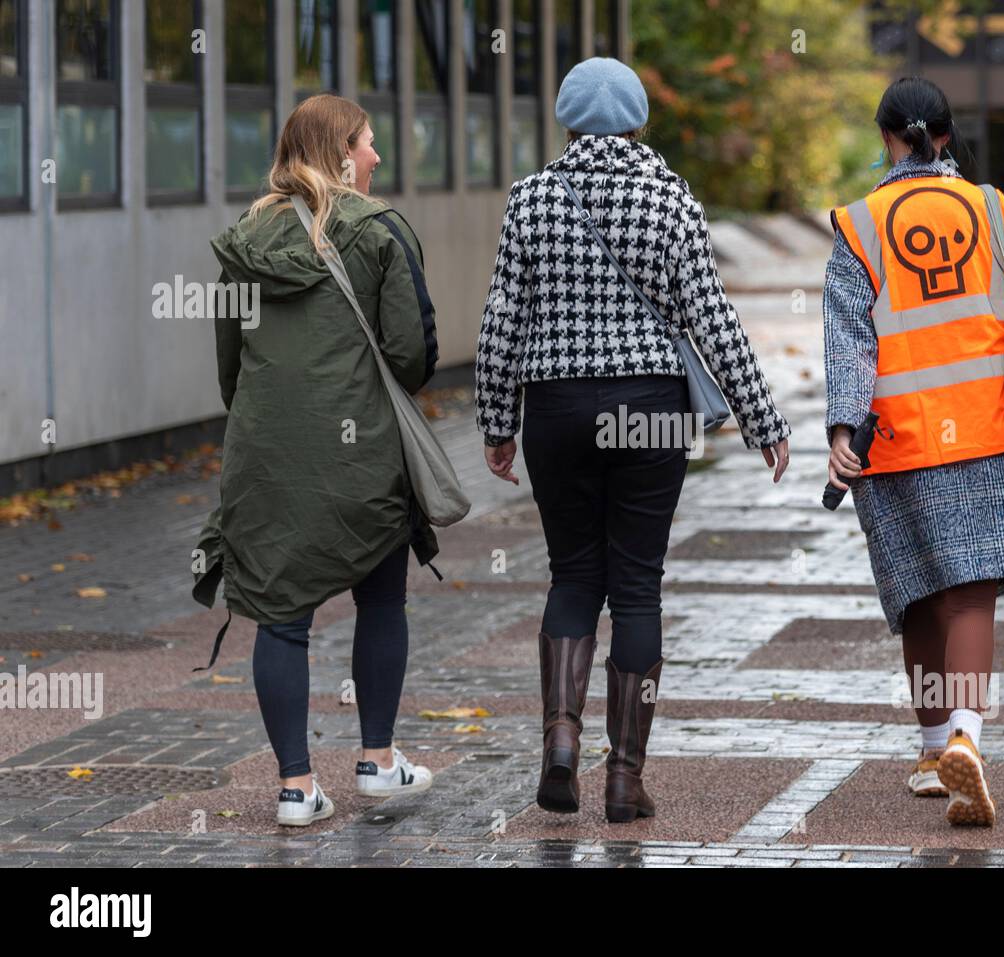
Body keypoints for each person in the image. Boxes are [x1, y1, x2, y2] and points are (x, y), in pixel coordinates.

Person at [474, 57, 792, 823]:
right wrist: (761, 419)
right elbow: (710, 316)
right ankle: (623, 776)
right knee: (638, 582)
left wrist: (496, 422)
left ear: (568, 119)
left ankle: (559, 737)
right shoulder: (670, 197)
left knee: (573, 575)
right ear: (640, 120)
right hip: (650, 407)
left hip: (555, 408)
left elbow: (501, 320)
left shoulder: (534, 198)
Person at [823, 76, 1004, 826]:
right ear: (945, 137)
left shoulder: (857, 224)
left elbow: (849, 338)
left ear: (888, 137)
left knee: (920, 590)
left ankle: (931, 754)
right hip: (985, 430)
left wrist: (841, 430)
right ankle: (966, 737)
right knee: (971, 591)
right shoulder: (992, 208)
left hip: (893, 438)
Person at [192, 94, 441, 826]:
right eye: (367, 143)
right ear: (340, 153)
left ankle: (296, 788)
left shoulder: (244, 238)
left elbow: (229, 368)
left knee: (279, 615)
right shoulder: (379, 231)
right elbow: (412, 354)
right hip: (361, 453)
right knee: (382, 600)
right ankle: (377, 761)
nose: (376, 158)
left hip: (264, 459)